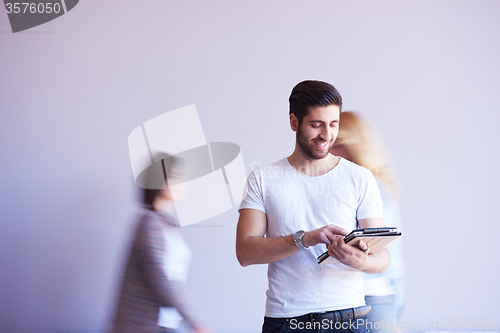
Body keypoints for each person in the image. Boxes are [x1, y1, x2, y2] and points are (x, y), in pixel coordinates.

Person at [236, 80, 390, 333]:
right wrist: (305, 239)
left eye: (333, 124)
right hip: (286, 321)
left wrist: (360, 261)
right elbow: (245, 252)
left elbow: (382, 257)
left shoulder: (360, 178)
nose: (326, 135)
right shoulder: (263, 178)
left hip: (348, 319)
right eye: (316, 124)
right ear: (294, 122)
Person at [110, 155, 211, 333]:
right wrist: (196, 321)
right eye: (177, 177)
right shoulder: (150, 224)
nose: (185, 183)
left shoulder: (167, 227)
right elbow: (161, 281)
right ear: (162, 182)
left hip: (163, 324)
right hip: (139, 326)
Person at [330, 111, 405, 333]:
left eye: (339, 143)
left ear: (358, 145)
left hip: (370, 299)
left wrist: (394, 309)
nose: (330, 151)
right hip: (343, 301)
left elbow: (389, 253)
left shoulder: (372, 186)